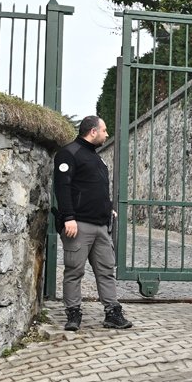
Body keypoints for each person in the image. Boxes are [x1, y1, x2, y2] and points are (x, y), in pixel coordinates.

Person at [53, 116, 132, 331]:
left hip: (100, 226)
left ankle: (112, 313)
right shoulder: (68, 153)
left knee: (106, 270)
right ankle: (73, 314)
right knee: (74, 271)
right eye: (105, 131)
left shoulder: (97, 158)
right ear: (93, 131)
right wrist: (68, 217)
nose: (107, 135)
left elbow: (94, 189)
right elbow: (63, 187)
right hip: (78, 225)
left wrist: (108, 209)